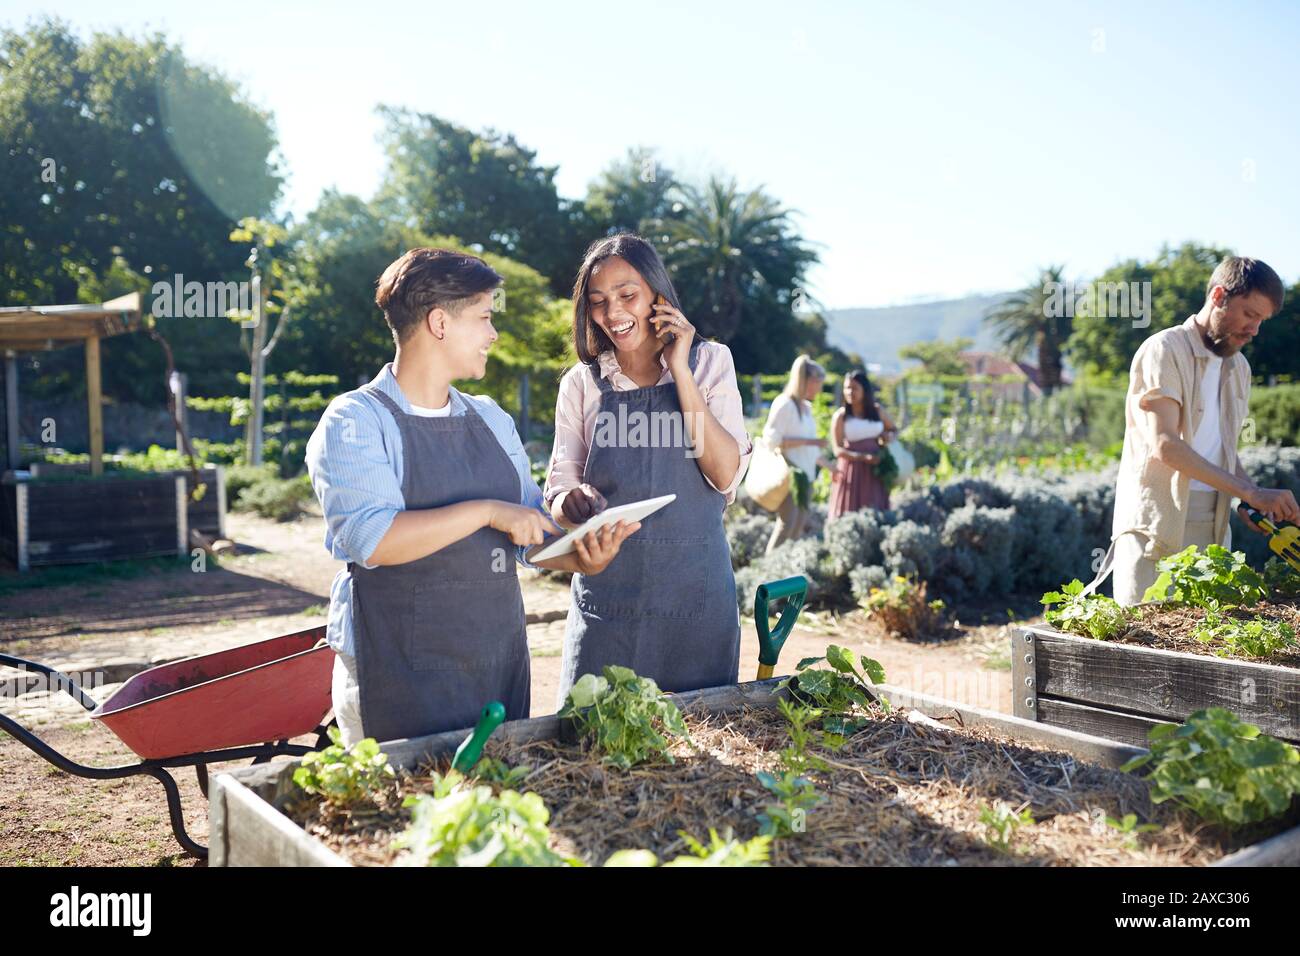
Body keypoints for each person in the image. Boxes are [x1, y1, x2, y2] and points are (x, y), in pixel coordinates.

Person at [306, 248, 637, 745]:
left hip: (494, 664)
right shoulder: (355, 420)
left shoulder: (489, 417)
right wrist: (486, 511)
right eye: (483, 317)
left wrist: (580, 555)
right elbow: (372, 540)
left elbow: (527, 532)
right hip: (396, 673)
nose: (493, 333)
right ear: (439, 322)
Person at [544, 234, 752, 702]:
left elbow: (724, 474)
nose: (613, 313)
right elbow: (559, 486)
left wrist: (680, 369)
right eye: (598, 302)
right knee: (594, 745)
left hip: (694, 602)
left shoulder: (711, 363)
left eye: (627, 295)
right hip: (608, 604)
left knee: (700, 749)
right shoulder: (582, 384)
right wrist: (568, 502)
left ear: (657, 293)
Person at [1106, 255, 1299, 606]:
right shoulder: (1164, 349)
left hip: (1214, 518)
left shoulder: (1239, 367)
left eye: (1262, 320)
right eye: (1249, 314)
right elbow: (1165, 445)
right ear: (1218, 296)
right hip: (1157, 520)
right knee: (1145, 642)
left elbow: (1222, 449)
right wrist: (1250, 492)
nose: (1254, 329)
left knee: (1202, 645)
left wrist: (1248, 495)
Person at [762, 355, 827, 553]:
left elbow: (810, 450)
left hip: (805, 477)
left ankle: (783, 572)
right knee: (787, 524)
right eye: (818, 383)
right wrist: (811, 442)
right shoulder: (785, 404)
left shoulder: (806, 408)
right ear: (807, 381)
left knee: (798, 526)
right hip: (789, 477)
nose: (819, 388)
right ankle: (766, 572)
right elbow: (772, 440)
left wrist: (830, 466)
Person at [828, 370, 898, 520]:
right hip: (851, 470)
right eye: (847, 388)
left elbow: (893, 429)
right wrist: (862, 457)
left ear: (864, 391)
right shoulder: (841, 416)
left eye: (854, 388)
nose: (849, 392)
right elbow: (837, 450)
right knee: (850, 509)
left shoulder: (877, 411)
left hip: (876, 469)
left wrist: (888, 437)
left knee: (875, 507)